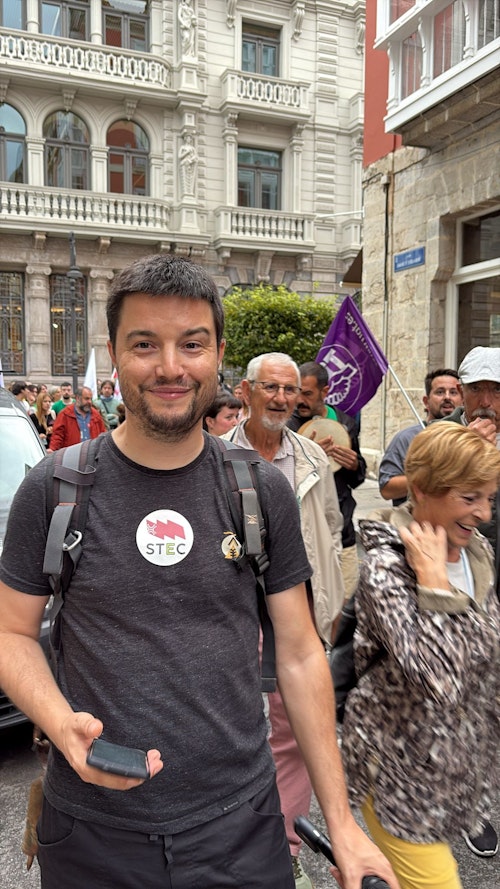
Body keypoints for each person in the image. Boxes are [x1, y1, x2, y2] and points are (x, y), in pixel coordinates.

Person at [0, 255, 398, 889]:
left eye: (191, 344)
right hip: (91, 833)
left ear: (218, 355)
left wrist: (341, 822)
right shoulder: (54, 487)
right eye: (144, 344)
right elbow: (12, 634)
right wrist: (59, 723)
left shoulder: (260, 490)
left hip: (240, 825)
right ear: (114, 353)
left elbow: (298, 654)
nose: (169, 366)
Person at [342, 422, 500, 889]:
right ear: (425, 488)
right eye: (469, 497)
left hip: (454, 770)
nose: (484, 513)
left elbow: (485, 647)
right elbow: (441, 678)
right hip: (398, 778)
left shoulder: (476, 552)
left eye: (488, 498)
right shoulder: (387, 567)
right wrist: (434, 585)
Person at [222, 352, 346, 889]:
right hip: (232, 615)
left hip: (299, 614)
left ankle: (286, 846)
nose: (279, 398)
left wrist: (331, 604)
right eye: (268, 387)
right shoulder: (213, 458)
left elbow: (334, 529)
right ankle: (230, 842)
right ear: (246, 392)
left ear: (300, 397)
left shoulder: (314, 457)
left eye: (289, 390)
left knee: (294, 733)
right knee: (229, 730)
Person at [287, 361, 367, 598]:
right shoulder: (286, 425)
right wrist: (307, 457)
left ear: (325, 391)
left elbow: (357, 479)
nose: (300, 400)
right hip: (301, 538)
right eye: (297, 391)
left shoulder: (346, 423)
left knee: (343, 602)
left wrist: (354, 465)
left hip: (342, 533)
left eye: (308, 394)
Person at [379, 369, 462, 506]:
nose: (447, 397)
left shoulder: (469, 437)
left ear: (462, 399)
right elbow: (387, 489)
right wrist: (428, 477)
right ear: (426, 401)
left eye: (453, 392)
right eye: (440, 392)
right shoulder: (405, 439)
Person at [48, 386, 106, 451]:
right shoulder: (65, 414)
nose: (90, 402)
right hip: (71, 455)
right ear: (78, 398)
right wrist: (52, 449)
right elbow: (57, 436)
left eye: (90, 399)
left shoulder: (96, 415)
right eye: (86, 399)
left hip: (92, 455)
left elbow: (102, 435)